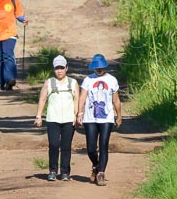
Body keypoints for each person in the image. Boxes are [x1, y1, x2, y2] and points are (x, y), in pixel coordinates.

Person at [76, 54, 122, 187]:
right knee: (91, 148)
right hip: (90, 118)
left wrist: (119, 116)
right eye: (97, 68)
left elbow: (116, 100)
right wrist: (80, 112)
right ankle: (96, 165)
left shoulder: (112, 80)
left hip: (106, 118)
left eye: (101, 68)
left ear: (105, 67)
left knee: (103, 146)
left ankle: (101, 173)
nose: (99, 70)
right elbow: (83, 98)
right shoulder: (88, 80)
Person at [34, 55, 78, 182]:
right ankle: (52, 170)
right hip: (53, 118)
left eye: (62, 68)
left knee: (66, 146)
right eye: (57, 68)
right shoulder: (49, 82)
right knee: (53, 145)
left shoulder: (73, 82)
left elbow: (76, 100)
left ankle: (65, 172)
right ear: (54, 69)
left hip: (69, 119)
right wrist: (39, 116)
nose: (59, 71)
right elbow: (42, 99)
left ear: (66, 68)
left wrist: (77, 115)